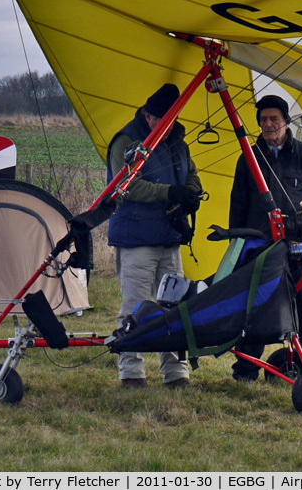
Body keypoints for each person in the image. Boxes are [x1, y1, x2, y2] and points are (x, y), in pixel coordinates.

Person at [228, 95, 302, 381]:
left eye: (274, 119)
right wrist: (236, 247)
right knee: (256, 308)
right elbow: (237, 206)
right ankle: (245, 372)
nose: (269, 124)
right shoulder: (249, 157)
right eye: (263, 120)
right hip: (260, 247)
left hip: (300, 248)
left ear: (286, 122)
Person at [107, 83, 203, 389]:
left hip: (168, 237)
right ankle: (131, 372)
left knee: (174, 305)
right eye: (159, 120)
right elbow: (128, 186)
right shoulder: (125, 141)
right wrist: (170, 192)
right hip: (136, 239)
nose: (165, 126)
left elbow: (191, 173)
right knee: (136, 305)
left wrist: (191, 193)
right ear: (147, 116)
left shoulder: (177, 141)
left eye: (170, 120)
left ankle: (176, 373)